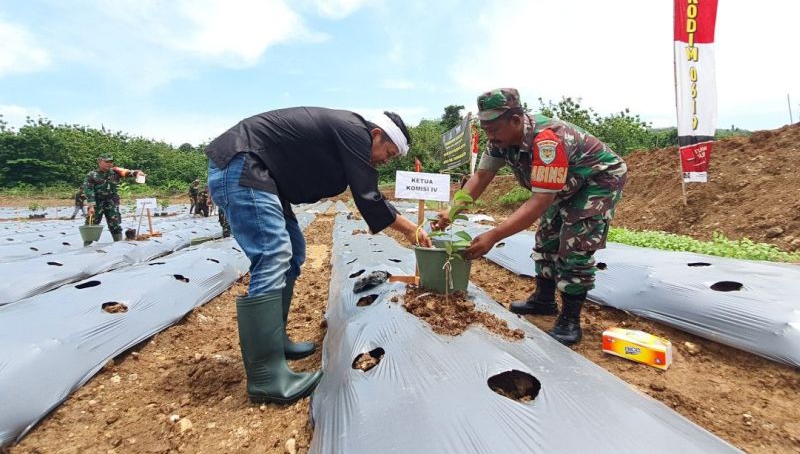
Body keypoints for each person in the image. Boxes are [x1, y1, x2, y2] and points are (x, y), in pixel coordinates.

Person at [206, 107, 431, 405]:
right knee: (273, 255)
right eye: (387, 152)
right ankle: (265, 375)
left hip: (264, 177)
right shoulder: (354, 130)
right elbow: (367, 195)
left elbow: (365, 187)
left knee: (294, 251)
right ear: (375, 135)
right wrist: (409, 230)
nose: (384, 160)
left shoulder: (351, 135)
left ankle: (276, 342)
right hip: (242, 164)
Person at [433, 89, 627, 346]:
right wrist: (452, 211)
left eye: (494, 129)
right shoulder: (498, 142)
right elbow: (480, 177)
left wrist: (493, 235)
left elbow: (540, 201)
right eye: (486, 129)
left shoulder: (548, 141)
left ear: (516, 120)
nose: (490, 135)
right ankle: (544, 300)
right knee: (547, 236)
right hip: (562, 185)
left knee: (575, 245)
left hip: (596, 180)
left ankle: (570, 320)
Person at [83, 153, 144, 244]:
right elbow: (88, 190)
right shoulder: (92, 175)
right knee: (92, 224)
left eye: (111, 161)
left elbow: (128, 172)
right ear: (99, 162)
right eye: (107, 161)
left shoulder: (116, 171)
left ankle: (118, 244)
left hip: (112, 202)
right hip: (97, 203)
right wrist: (91, 206)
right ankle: (87, 246)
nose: (109, 163)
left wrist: (137, 173)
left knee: (115, 224)